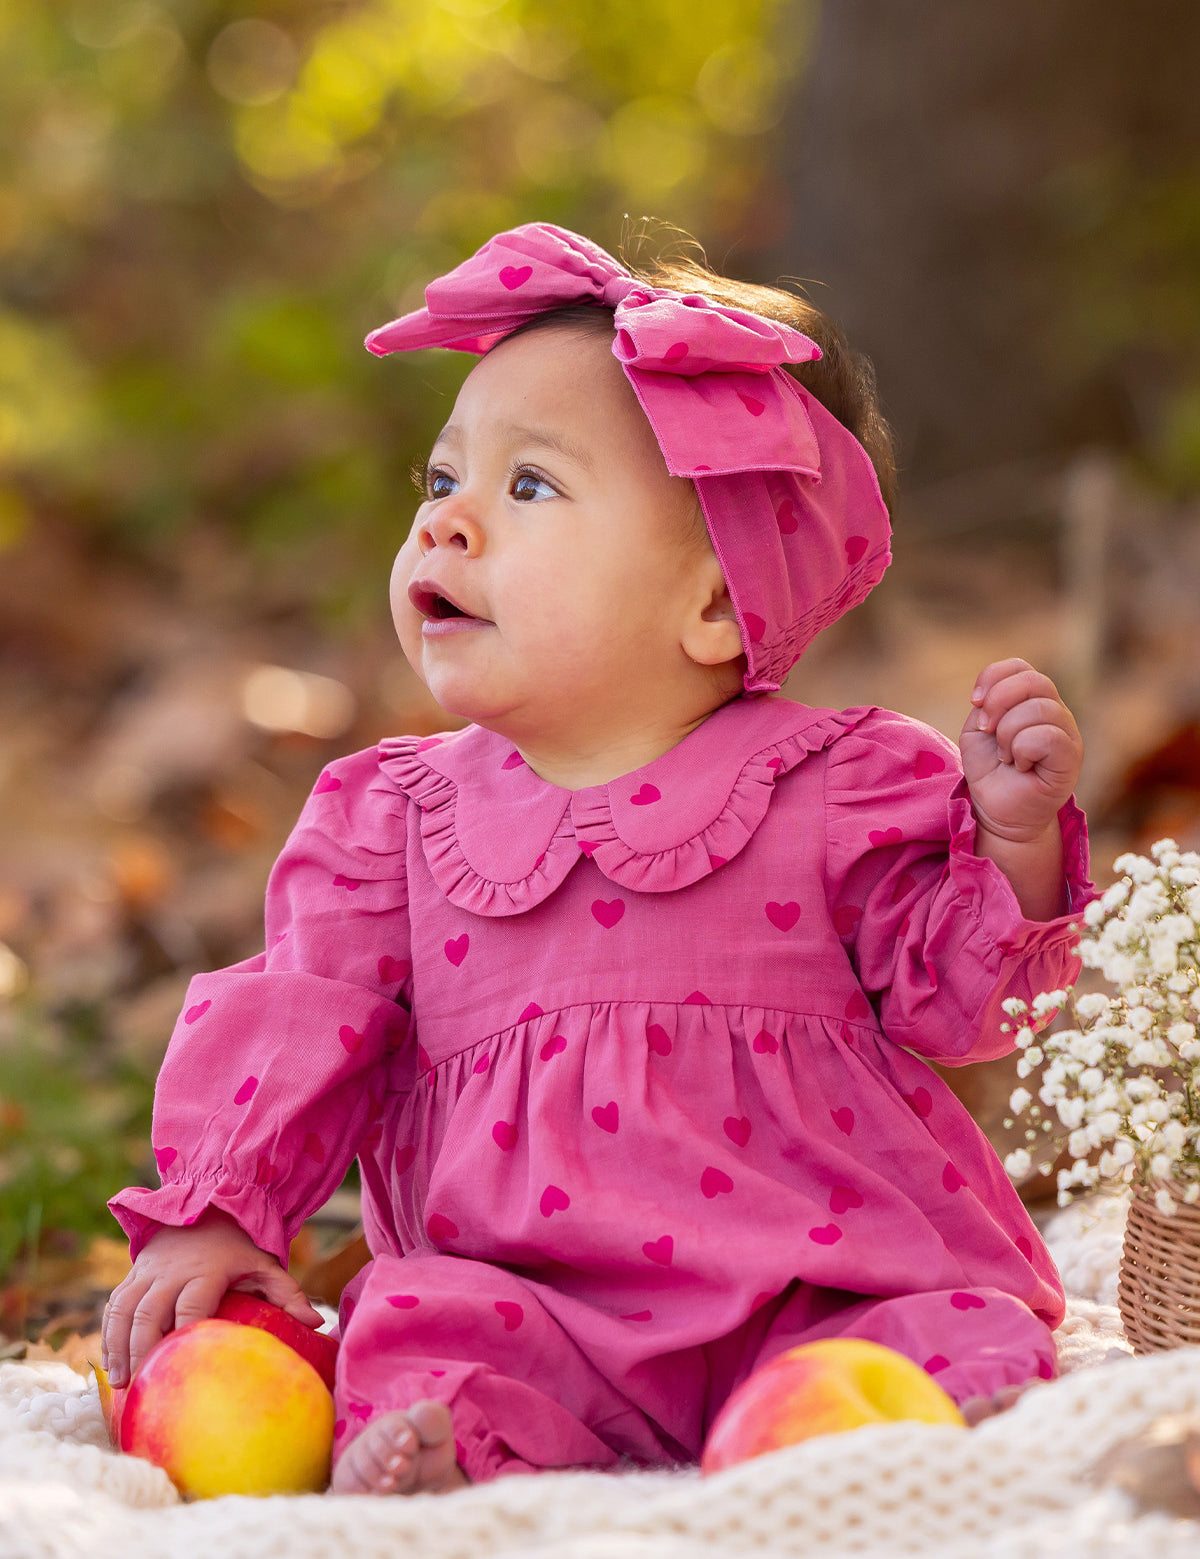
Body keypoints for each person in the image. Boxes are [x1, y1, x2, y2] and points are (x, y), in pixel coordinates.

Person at [101, 222, 1093, 1497]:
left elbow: (968, 1006)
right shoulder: (388, 817)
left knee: (957, 1336)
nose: (447, 522)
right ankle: (456, 1453)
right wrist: (224, 1207)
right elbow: (302, 1018)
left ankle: (907, 1435)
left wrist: (1008, 841)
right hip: (539, 1301)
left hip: (818, 1278)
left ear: (719, 603)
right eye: (439, 478)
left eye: (528, 487)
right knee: (422, 1336)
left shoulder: (842, 782)